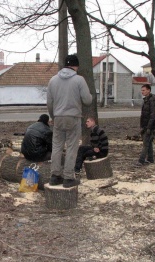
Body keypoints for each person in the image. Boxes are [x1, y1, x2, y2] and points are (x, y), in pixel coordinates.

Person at [47, 54, 92, 188]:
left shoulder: (53, 80)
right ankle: (68, 177)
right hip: (73, 117)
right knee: (72, 147)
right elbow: (87, 100)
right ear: (76, 66)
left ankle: (55, 176)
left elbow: (49, 103)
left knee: (57, 146)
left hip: (58, 117)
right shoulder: (79, 80)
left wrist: (53, 117)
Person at [135, 84, 155, 166]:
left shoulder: (152, 100)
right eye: (141, 90)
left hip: (149, 126)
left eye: (144, 90)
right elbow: (145, 115)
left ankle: (141, 161)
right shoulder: (147, 100)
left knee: (145, 144)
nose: (142, 92)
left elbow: (153, 115)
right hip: (146, 125)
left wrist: (149, 127)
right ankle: (150, 159)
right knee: (149, 143)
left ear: (149, 90)